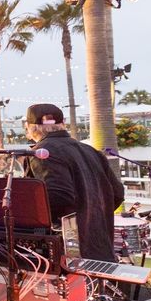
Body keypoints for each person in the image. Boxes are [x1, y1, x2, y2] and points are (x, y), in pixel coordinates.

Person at [24, 103, 124, 261]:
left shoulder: (42, 152)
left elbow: (57, 198)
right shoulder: (90, 151)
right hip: (101, 247)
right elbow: (117, 193)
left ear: (30, 128)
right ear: (62, 124)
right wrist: (94, 217)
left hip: (71, 254)